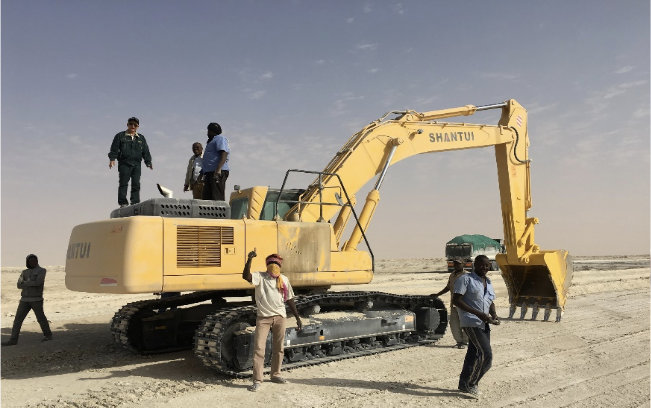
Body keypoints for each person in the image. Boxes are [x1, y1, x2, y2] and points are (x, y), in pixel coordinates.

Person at [242, 250, 302, 392]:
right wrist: (249, 259)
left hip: (280, 317)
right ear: (267, 265)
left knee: (279, 348)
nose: (274, 265)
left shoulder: (283, 279)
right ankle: (257, 380)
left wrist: (297, 317)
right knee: (259, 349)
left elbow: (289, 299)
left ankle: (275, 374)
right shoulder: (260, 277)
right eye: (271, 263)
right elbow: (246, 276)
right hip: (263, 318)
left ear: (280, 265)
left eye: (276, 263)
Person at [452, 254, 500, 397]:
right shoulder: (465, 279)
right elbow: (456, 300)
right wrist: (479, 314)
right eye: (481, 265)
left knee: (473, 354)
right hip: (471, 321)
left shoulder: (488, 282)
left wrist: (494, 314)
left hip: (484, 323)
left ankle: (463, 384)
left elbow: (490, 301)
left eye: (487, 265)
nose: (484, 267)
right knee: (486, 355)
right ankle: (472, 384)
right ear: (474, 265)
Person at [2, 254, 53, 346]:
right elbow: (18, 285)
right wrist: (30, 283)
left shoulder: (42, 270)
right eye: (30, 261)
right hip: (24, 300)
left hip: (36, 299)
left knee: (41, 318)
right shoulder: (24, 272)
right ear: (27, 262)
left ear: (37, 261)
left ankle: (48, 335)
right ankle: (13, 340)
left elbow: (38, 282)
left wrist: (25, 283)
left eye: (34, 260)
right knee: (17, 320)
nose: (33, 262)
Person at [108, 116, 153, 207]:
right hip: (124, 163)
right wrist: (112, 159)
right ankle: (123, 203)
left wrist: (148, 162)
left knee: (136, 184)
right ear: (127, 125)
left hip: (137, 164)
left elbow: (146, 151)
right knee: (123, 183)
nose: (133, 126)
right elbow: (114, 148)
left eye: (135, 125)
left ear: (138, 126)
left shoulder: (141, 138)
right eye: (131, 124)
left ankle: (135, 202)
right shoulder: (120, 136)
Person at [433, 257, 470, 349]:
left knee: (466, 323)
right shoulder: (452, 275)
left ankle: (465, 342)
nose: (456, 265)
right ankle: (459, 341)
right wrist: (437, 294)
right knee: (454, 324)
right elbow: (448, 287)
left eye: (458, 264)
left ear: (463, 264)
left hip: (465, 304)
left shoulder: (468, 275)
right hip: (454, 304)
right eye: (455, 263)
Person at [201, 122, 230, 201]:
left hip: (217, 172)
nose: (207, 133)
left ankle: (220, 210)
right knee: (206, 199)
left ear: (211, 131)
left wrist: (218, 169)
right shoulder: (211, 141)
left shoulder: (220, 139)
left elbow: (224, 153)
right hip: (209, 173)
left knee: (217, 197)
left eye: (208, 131)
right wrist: (202, 172)